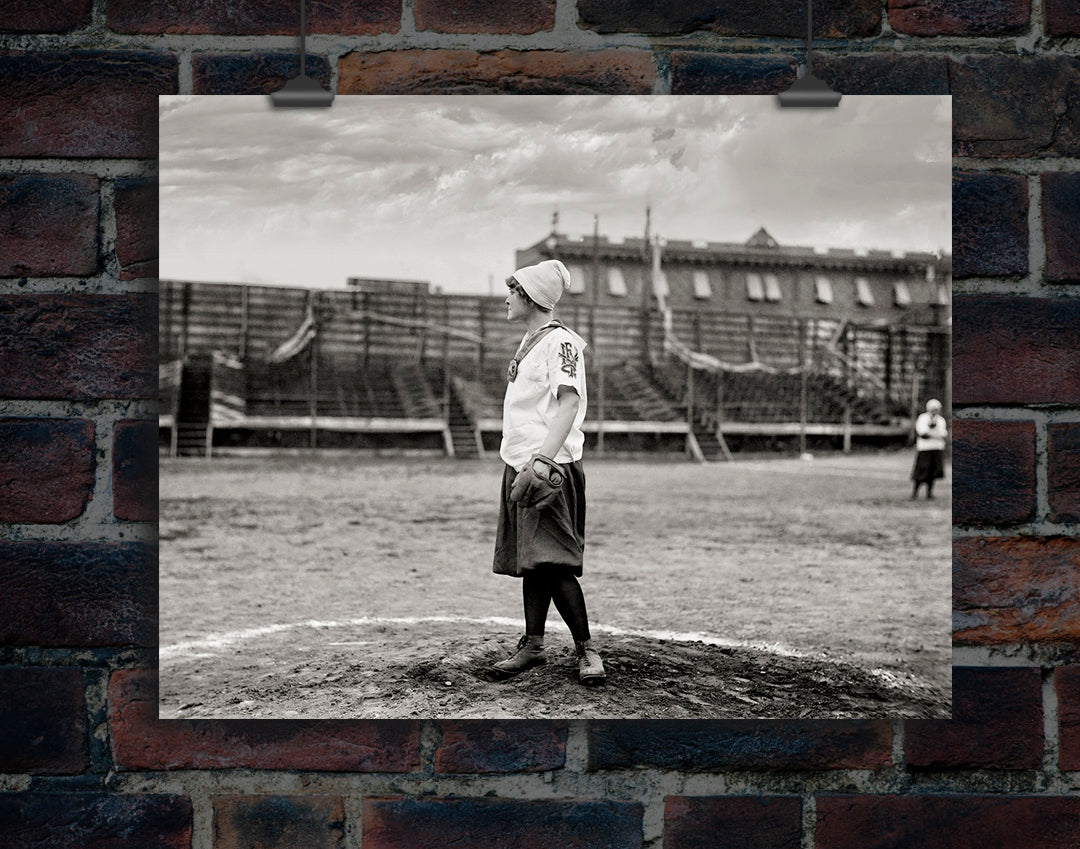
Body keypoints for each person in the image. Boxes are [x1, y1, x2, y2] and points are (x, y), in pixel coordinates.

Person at [490, 258, 606, 685]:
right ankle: (534, 645)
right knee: (533, 561)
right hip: (521, 462)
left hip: (548, 467)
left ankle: (587, 649)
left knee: (554, 562)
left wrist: (542, 460)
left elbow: (569, 403)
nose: (507, 297)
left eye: (513, 291)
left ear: (531, 297)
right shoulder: (531, 339)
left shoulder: (562, 343)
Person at [911, 398, 948, 500]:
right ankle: (915, 492)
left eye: (936, 409)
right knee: (921, 471)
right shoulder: (923, 418)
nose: (934, 411)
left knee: (933, 472)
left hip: (936, 448)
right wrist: (935, 434)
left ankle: (929, 493)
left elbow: (943, 433)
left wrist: (933, 434)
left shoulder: (940, 420)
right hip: (925, 449)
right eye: (933, 409)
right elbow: (923, 433)